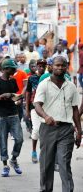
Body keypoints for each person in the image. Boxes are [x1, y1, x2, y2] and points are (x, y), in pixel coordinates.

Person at [34, 56, 81, 192]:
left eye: (63, 65)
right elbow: (37, 104)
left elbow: (75, 110)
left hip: (66, 129)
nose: (60, 68)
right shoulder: (44, 84)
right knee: (46, 165)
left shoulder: (71, 86)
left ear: (66, 67)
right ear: (51, 66)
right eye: (57, 65)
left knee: (64, 164)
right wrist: (45, 116)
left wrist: (79, 131)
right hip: (48, 129)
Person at [0, 59, 24, 177]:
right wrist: (1, 96)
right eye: (12, 69)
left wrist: (19, 99)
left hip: (14, 114)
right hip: (1, 116)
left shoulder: (13, 81)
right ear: (5, 69)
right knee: (3, 142)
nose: (14, 70)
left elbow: (15, 96)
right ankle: (5, 165)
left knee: (19, 139)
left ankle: (13, 159)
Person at [25, 59, 46, 164]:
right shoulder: (32, 78)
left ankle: (44, 153)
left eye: (43, 66)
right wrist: (27, 109)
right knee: (36, 130)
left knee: (45, 132)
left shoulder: (48, 77)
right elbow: (28, 93)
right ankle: (34, 151)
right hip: (34, 107)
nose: (41, 68)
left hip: (46, 108)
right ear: (37, 67)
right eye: (40, 66)